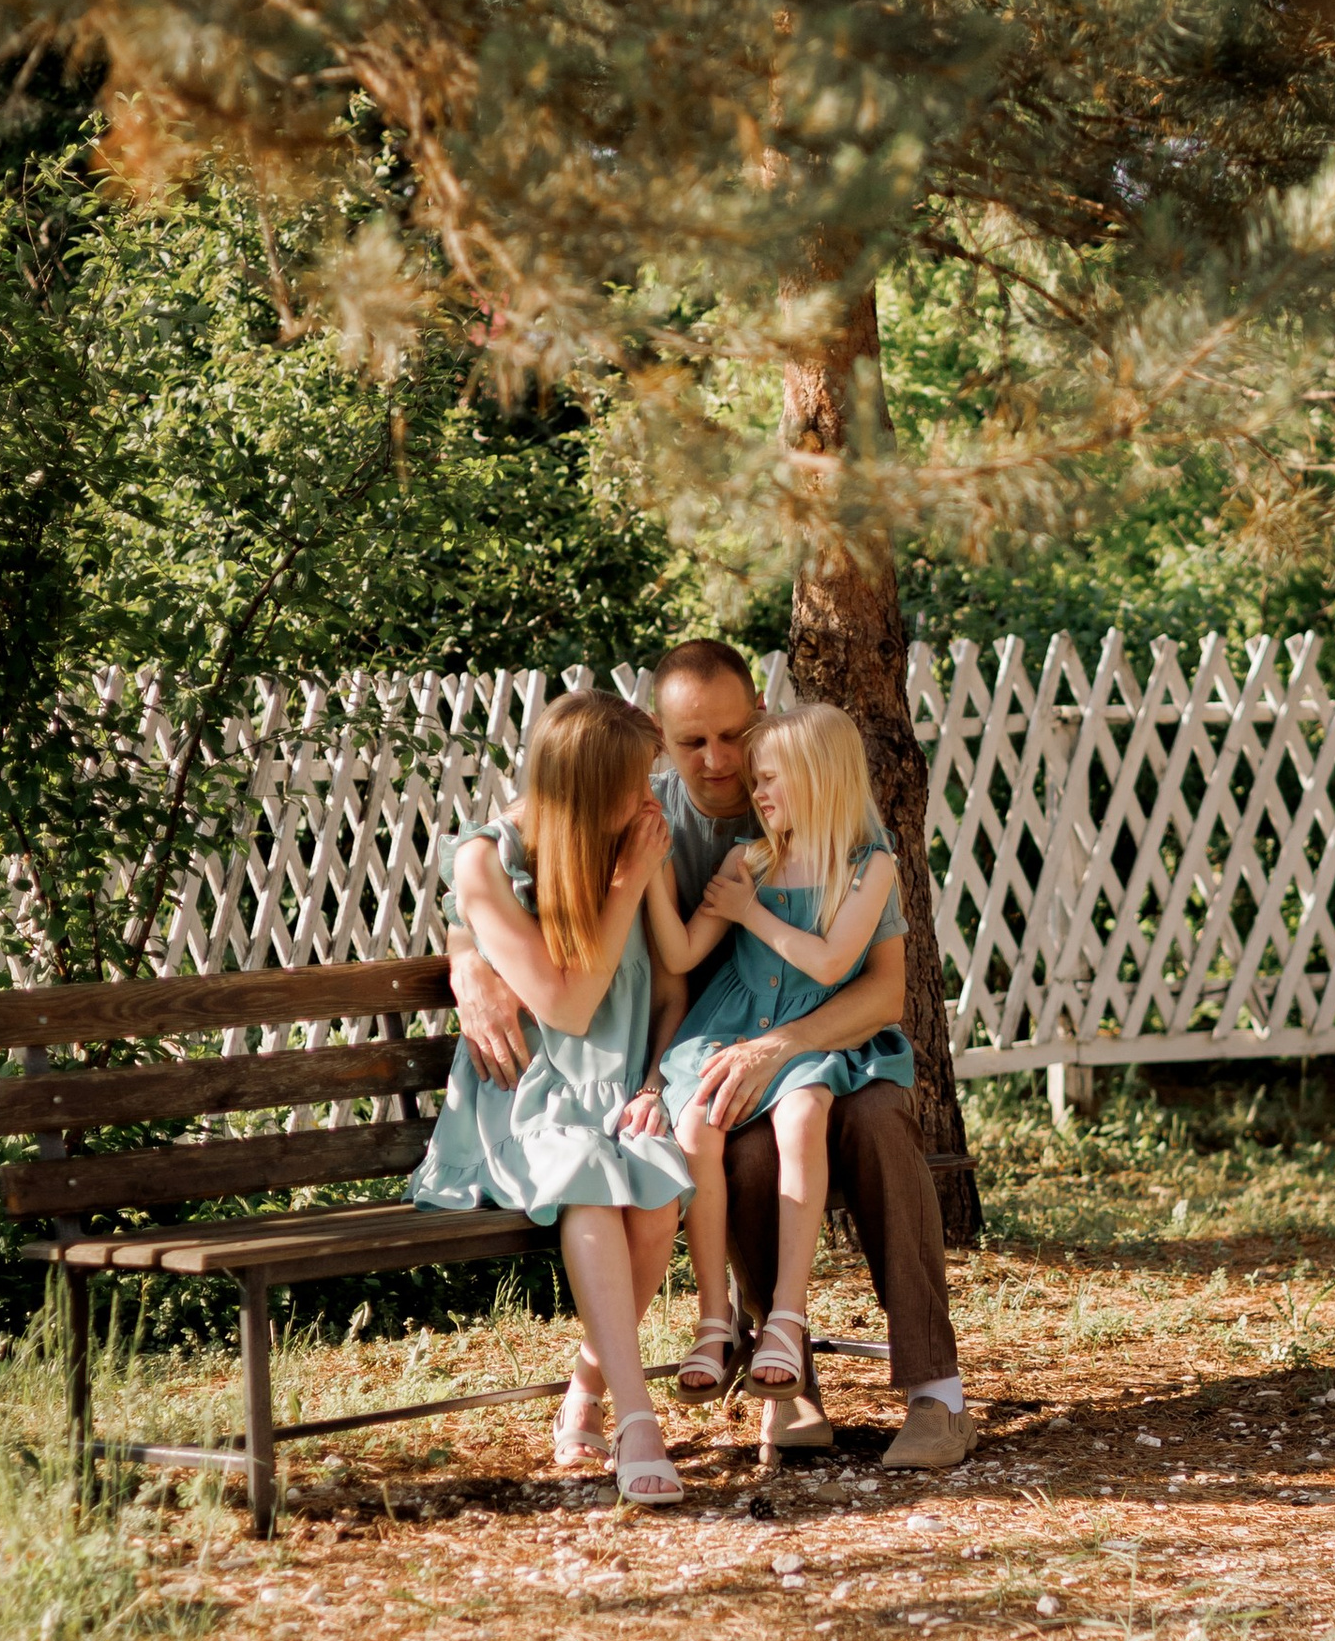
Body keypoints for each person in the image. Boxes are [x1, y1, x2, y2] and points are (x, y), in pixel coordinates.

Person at [447, 639, 975, 1467]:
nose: (721, 762)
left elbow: (880, 991)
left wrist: (783, 1045)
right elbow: (519, 845)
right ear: (662, 734)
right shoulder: (640, 806)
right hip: (709, 1058)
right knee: (750, 1148)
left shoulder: (830, 820)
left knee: (876, 1124)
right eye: (692, 742)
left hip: (829, 1045)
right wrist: (464, 951)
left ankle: (936, 1395)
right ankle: (786, 1383)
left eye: (734, 738)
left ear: (760, 720)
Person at [408, 689, 694, 1508]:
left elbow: (671, 993)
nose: (652, 801)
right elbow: (565, 1007)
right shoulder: (488, 864)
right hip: (525, 1098)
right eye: (637, 784)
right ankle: (637, 1418)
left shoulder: (636, 839)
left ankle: (585, 1391)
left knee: (655, 1199)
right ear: (586, 789)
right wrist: (625, 885)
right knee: (594, 1190)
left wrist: (651, 1084)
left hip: (618, 1087)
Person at [649, 704, 914, 1396]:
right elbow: (681, 951)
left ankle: (788, 1316)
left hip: (807, 1031)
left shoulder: (869, 866)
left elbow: (830, 966)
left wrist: (750, 913)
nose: (755, 792)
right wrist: (650, 873)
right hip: (729, 1028)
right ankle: (714, 1320)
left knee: (802, 1120)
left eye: (770, 780)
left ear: (818, 780)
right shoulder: (748, 858)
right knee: (697, 1127)